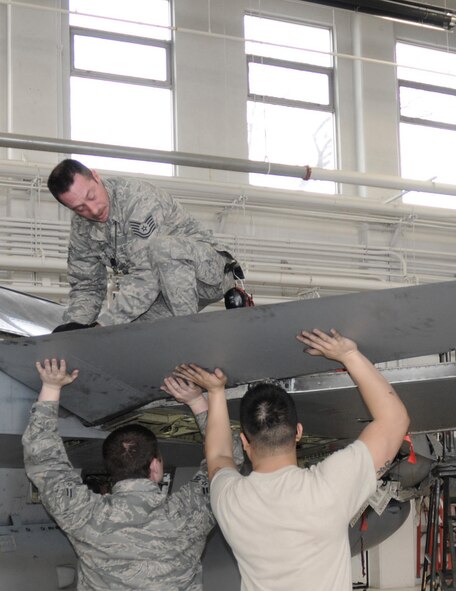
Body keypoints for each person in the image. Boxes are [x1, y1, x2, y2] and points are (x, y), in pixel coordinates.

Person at [174, 328, 410, 591]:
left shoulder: (230, 499)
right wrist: (349, 354)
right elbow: (394, 421)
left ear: (244, 441)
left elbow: (219, 456)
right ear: (298, 432)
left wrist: (214, 394)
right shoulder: (329, 487)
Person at [22, 358, 221, 590]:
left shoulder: (84, 514)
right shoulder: (190, 512)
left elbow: (44, 461)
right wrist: (197, 401)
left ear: (111, 468)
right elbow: (224, 461)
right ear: (155, 467)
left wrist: (51, 386)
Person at [47, 158, 241, 328]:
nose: (94, 209)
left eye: (91, 196)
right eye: (80, 208)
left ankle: (187, 336)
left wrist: (103, 324)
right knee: (127, 334)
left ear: (96, 176)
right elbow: (86, 285)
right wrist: (73, 331)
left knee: (162, 249)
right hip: (162, 291)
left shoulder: (137, 199)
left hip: (208, 272)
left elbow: (145, 273)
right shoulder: (82, 229)